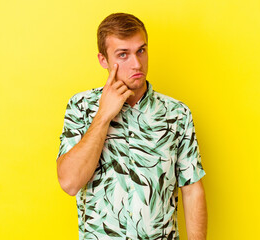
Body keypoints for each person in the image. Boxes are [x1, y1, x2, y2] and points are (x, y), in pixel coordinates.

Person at [56, 12, 207, 240]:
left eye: (141, 51)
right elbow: (69, 183)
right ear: (103, 60)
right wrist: (103, 116)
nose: (136, 64)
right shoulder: (81, 107)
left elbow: (192, 189)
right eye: (123, 54)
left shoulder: (177, 114)